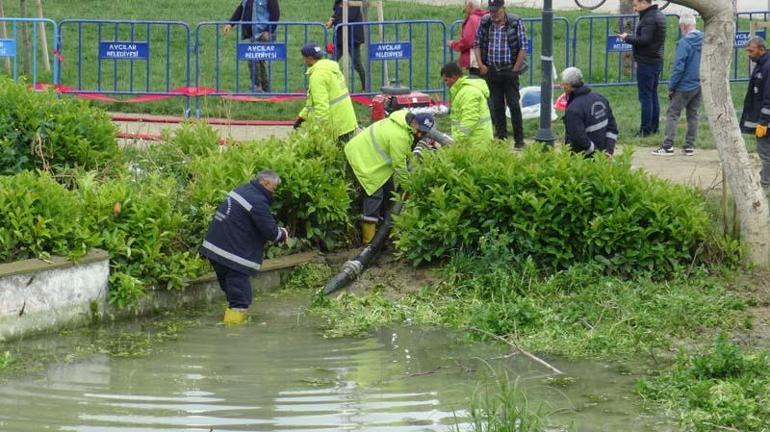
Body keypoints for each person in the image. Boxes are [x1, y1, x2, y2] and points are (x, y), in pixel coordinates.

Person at [200, 170, 289, 325]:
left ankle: (230, 322)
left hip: (215, 250)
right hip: (232, 255)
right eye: (273, 188)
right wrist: (283, 234)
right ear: (265, 183)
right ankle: (234, 335)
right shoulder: (257, 200)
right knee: (240, 299)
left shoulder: (242, 190)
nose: (273, 192)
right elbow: (270, 232)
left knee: (232, 293)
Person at [344, 110, 436, 244]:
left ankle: (385, 234)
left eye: (424, 132)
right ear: (414, 123)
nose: (420, 134)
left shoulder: (403, 121)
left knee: (390, 194)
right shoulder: (399, 136)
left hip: (371, 156)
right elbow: (399, 166)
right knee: (375, 194)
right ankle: (368, 243)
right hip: (362, 158)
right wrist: (409, 188)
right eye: (419, 130)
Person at [473, 0, 528, 149]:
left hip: (509, 70)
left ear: (503, 8)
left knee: (514, 105)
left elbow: (523, 47)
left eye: (496, 12)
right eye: (491, 12)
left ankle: (519, 140)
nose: (493, 15)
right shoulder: (485, 22)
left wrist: (515, 69)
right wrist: (481, 64)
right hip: (492, 71)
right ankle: (502, 139)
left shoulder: (515, 22)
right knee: (497, 106)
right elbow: (477, 44)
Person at [652, 13, 702, 156]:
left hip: (684, 85)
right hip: (699, 83)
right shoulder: (705, 40)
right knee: (693, 115)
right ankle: (689, 146)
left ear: (683, 26)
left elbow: (678, 67)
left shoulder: (684, 43)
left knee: (673, 114)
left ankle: (668, 146)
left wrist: (671, 86)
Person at [617, 0, 666, 137]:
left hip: (647, 62)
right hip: (656, 60)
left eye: (636, 5)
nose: (635, 9)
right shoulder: (658, 15)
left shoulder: (649, 18)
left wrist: (627, 38)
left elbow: (644, 40)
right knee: (653, 95)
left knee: (646, 97)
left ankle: (645, 130)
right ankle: (654, 127)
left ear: (644, 2)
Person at [294, 44, 358, 143]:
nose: (303, 61)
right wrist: (303, 115)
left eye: (304, 58)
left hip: (336, 125)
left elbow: (321, 105)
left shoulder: (317, 76)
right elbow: (313, 102)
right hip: (347, 121)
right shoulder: (331, 69)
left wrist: (320, 131)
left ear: (309, 59)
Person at [224, 0, 281, 93]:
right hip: (253, 34)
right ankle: (264, 86)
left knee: (253, 58)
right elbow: (240, 9)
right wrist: (230, 24)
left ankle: (257, 86)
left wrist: (268, 31)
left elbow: (276, 14)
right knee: (259, 60)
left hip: (263, 34)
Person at [560, 67, 619, 157]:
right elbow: (612, 127)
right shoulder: (601, 98)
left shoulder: (573, 110)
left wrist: (597, 155)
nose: (562, 86)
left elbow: (578, 138)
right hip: (604, 155)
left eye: (563, 84)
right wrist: (608, 152)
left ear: (569, 85)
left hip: (583, 160)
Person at [740, 37, 770, 191]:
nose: (748, 54)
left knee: (765, 155)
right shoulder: (762, 64)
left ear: (761, 49)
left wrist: (763, 122)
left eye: (751, 51)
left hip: (766, 122)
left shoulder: (767, 66)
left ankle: (765, 188)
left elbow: (768, 97)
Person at [440, 62, 493, 143]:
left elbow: (469, 119)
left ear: (454, 77)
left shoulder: (468, 92)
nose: (446, 84)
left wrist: (456, 140)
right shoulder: (462, 91)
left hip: (476, 142)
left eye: (446, 80)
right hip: (473, 139)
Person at [326, 0, 366, 91]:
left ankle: (365, 87)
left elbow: (347, 18)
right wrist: (331, 19)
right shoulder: (338, 2)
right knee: (332, 62)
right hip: (340, 39)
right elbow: (336, 14)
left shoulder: (354, 3)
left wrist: (333, 20)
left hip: (353, 38)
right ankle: (329, 87)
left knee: (357, 64)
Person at [448, 0, 486, 76]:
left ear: (470, 5)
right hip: (486, 59)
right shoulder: (486, 16)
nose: (465, 8)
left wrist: (453, 44)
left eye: (466, 5)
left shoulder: (473, 19)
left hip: (475, 61)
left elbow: (468, 42)